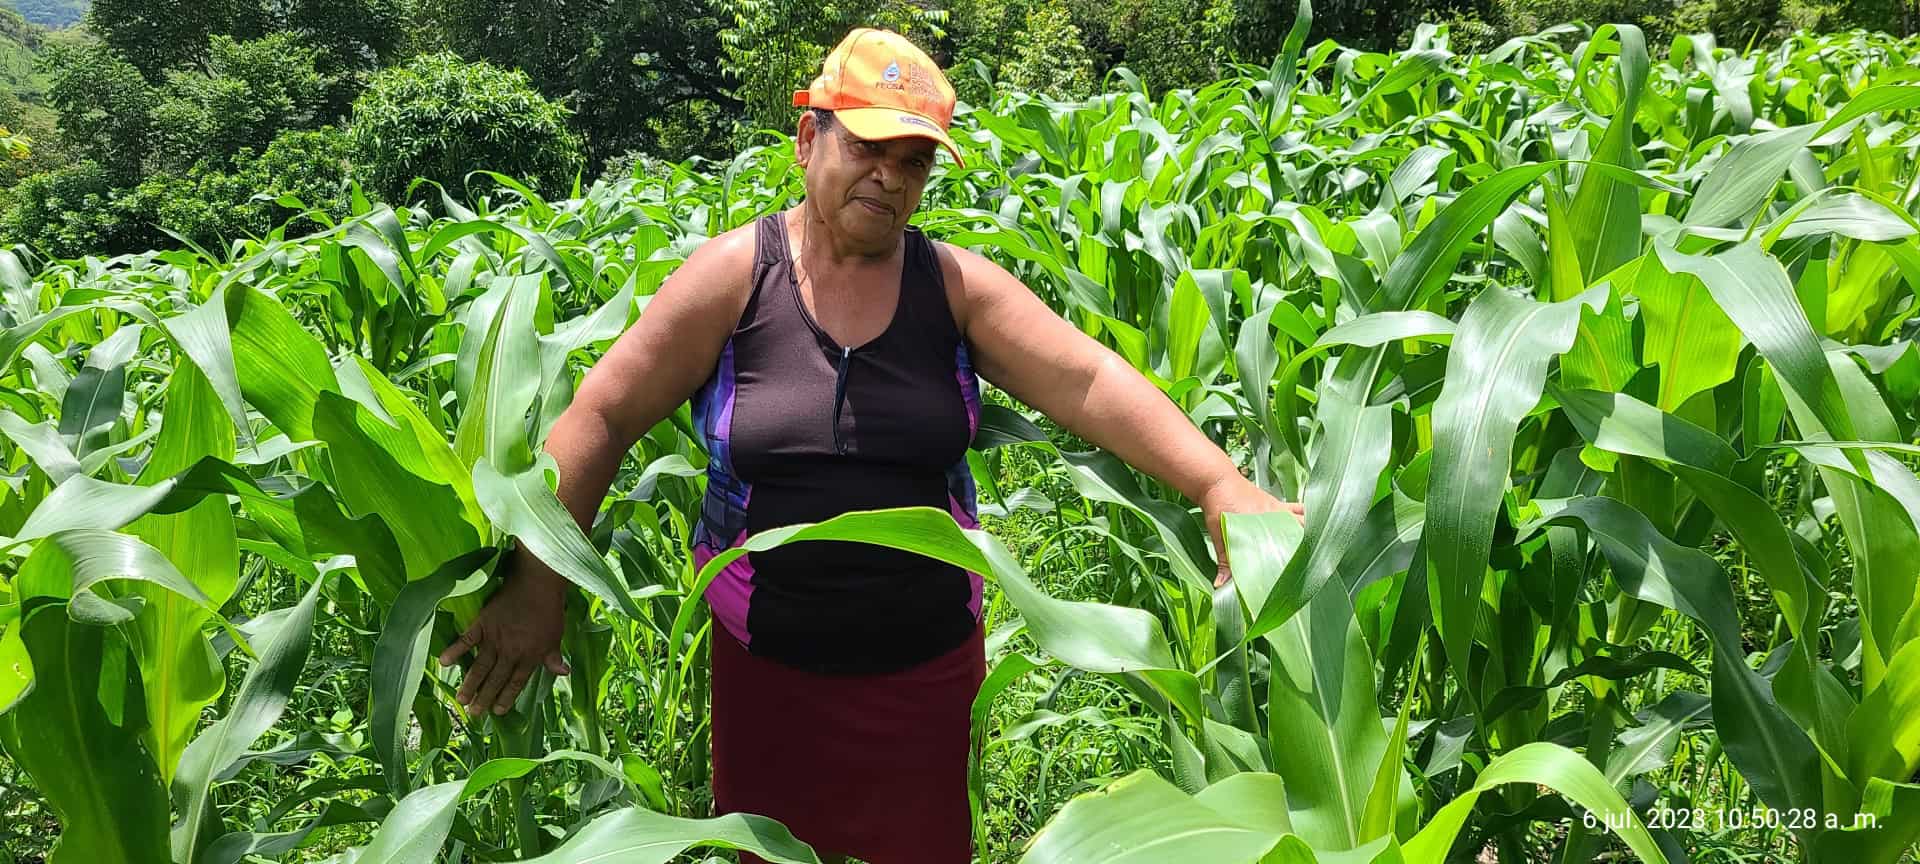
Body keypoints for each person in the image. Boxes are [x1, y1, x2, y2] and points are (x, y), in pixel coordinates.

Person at [438, 26, 1300, 864]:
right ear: (810, 138)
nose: (889, 178)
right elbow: (602, 417)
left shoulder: (952, 287)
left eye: (913, 161)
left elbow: (1086, 381)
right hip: (767, 668)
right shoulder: (735, 279)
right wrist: (536, 581)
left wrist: (1219, 484)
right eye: (868, 148)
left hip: (925, 673)